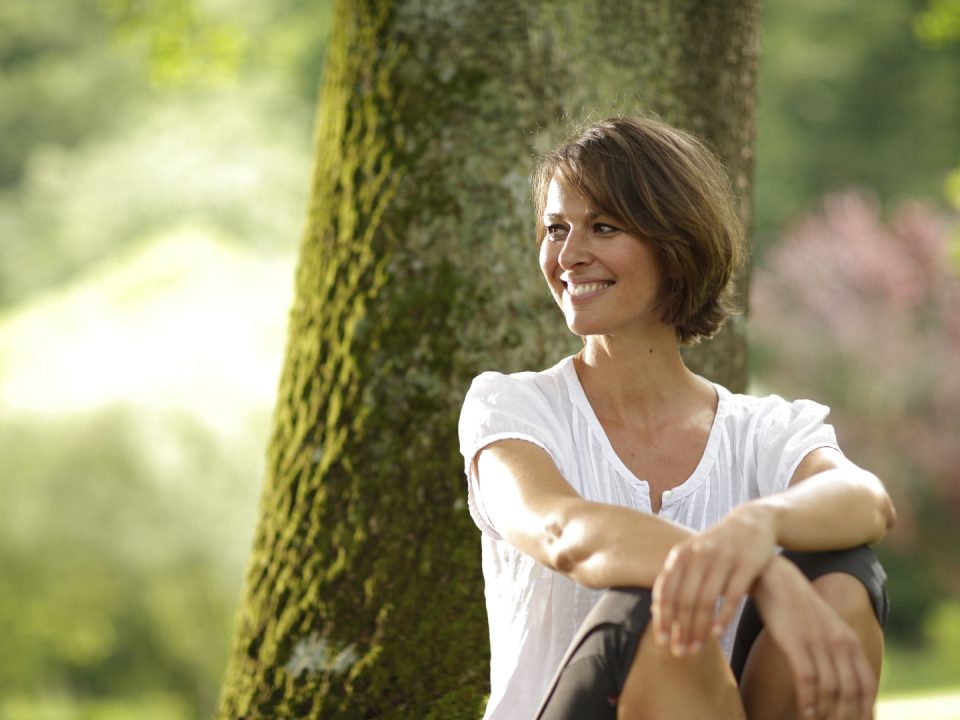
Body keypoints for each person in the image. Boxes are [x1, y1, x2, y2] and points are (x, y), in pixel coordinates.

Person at [457, 116, 895, 720]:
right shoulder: (510, 406)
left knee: (842, 577)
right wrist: (763, 573)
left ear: (674, 242)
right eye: (556, 228)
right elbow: (564, 534)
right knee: (657, 615)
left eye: (602, 227)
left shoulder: (764, 429)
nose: (568, 255)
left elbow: (865, 500)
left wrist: (759, 528)